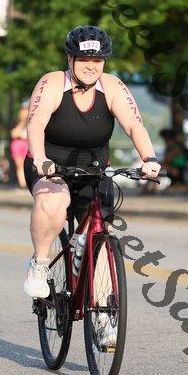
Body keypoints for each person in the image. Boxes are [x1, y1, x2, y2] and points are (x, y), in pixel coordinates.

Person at [23, 25, 161, 299]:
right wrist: (40, 158)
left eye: (97, 60)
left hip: (94, 170)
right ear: (70, 59)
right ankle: (39, 264)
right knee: (55, 201)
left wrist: (149, 158)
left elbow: (134, 125)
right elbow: (35, 122)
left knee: (100, 235)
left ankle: (104, 313)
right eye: (84, 59)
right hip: (51, 166)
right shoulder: (52, 83)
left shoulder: (112, 86)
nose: (91, 66)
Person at [10, 102, 29, 189]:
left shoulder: (32, 122)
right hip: (17, 144)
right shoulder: (16, 122)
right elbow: (14, 134)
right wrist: (22, 123)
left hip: (27, 144)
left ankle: (27, 183)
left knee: (27, 165)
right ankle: (22, 184)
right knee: (19, 165)